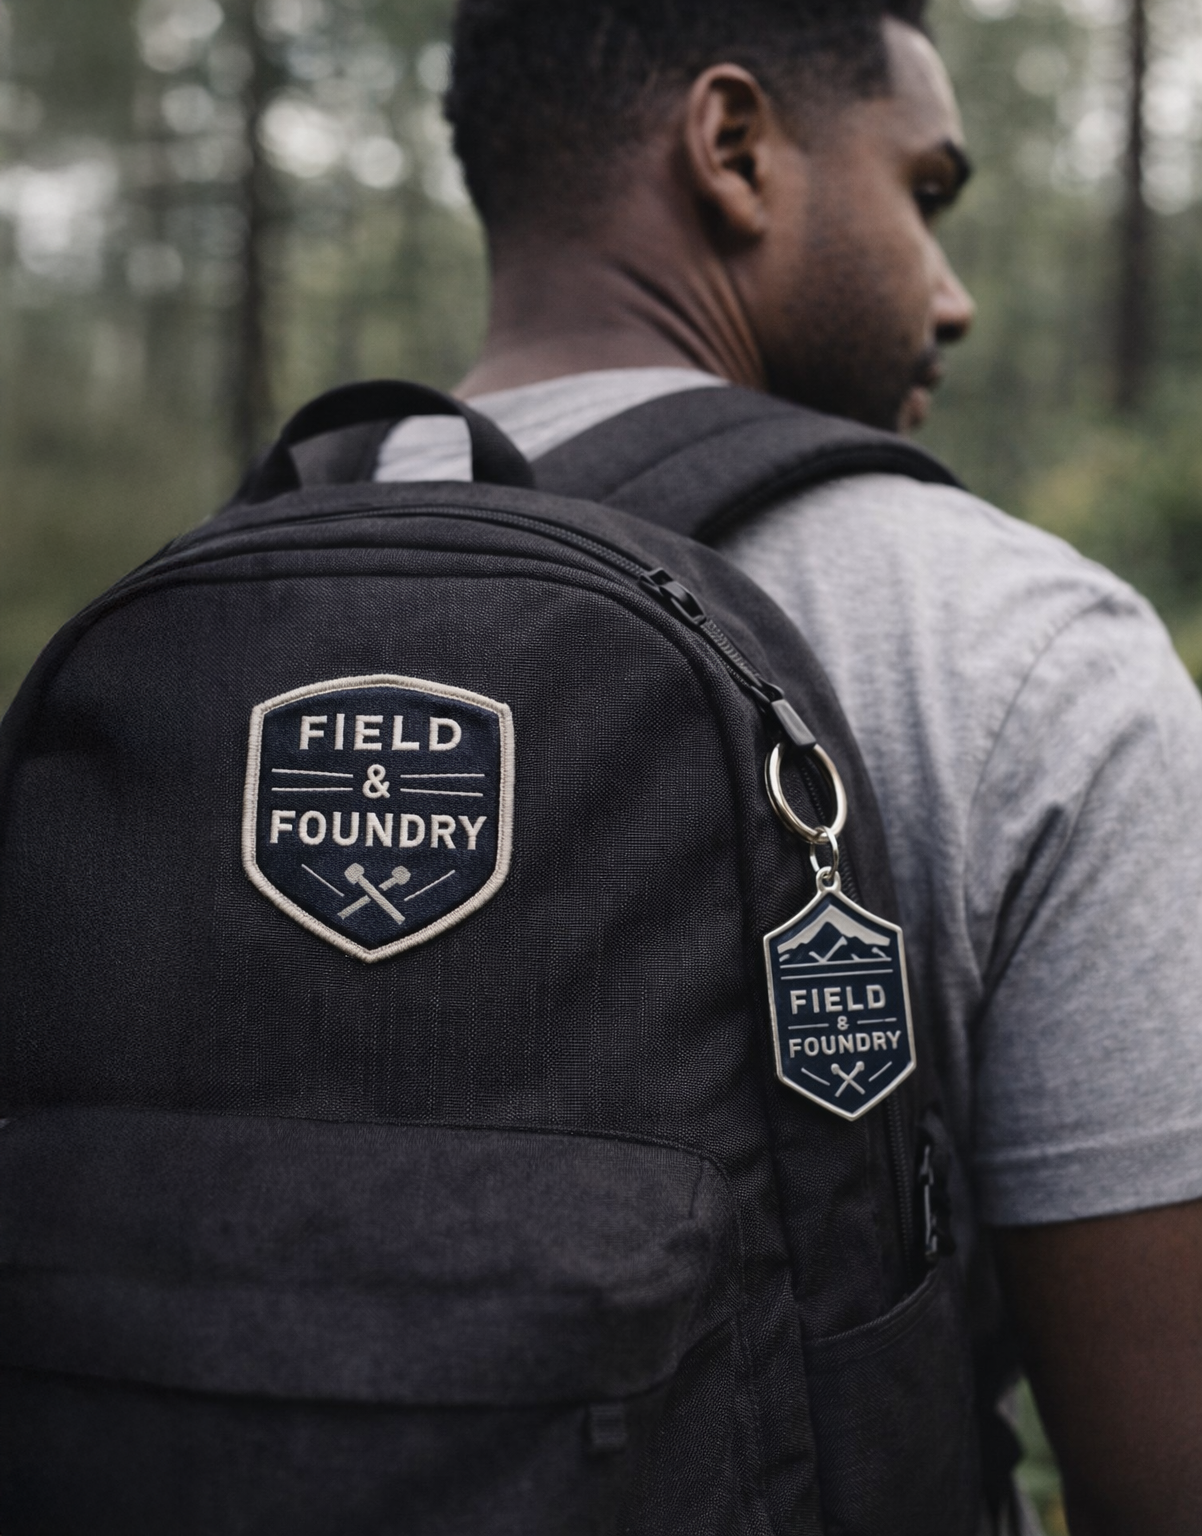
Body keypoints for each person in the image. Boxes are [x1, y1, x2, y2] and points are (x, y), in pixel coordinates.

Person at [374, 3, 1202, 1532]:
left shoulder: (199, 606)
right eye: (925, 191)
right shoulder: (1020, 649)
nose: (949, 297)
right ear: (735, 150)